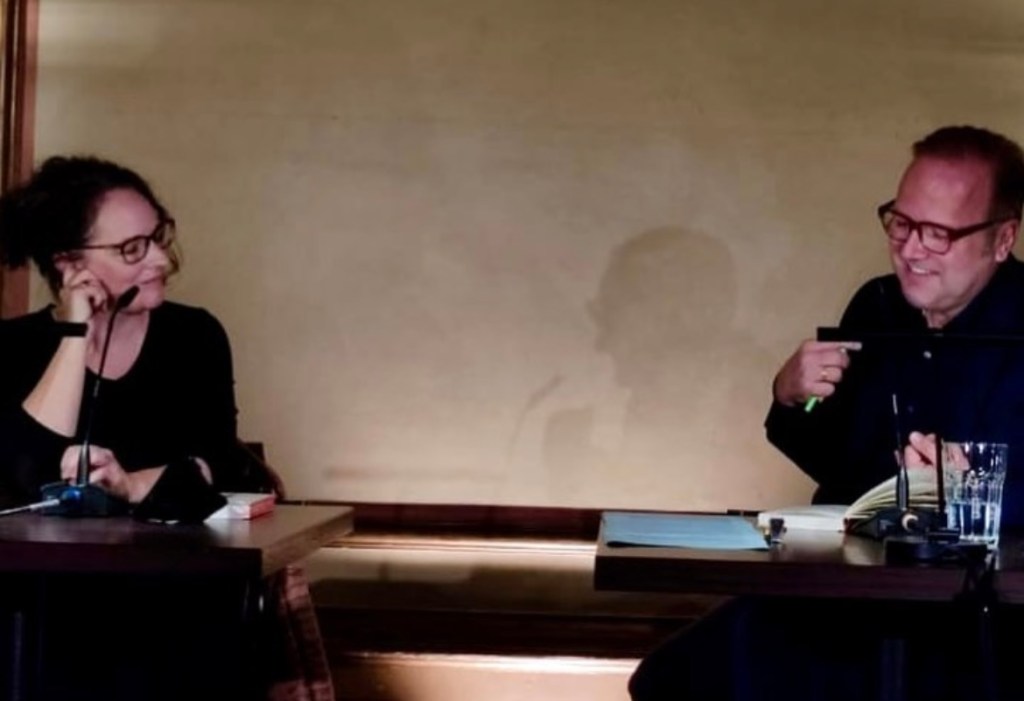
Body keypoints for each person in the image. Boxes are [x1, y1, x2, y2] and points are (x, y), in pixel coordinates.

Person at [629, 125, 1024, 701]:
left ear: (1002, 238)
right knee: (675, 678)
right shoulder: (877, 304)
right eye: (902, 223)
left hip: (978, 614)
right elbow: (840, 463)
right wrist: (792, 395)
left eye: (938, 234)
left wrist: (970, 490)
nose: (911, 250)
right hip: (852, 591)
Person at [0, 155, 328, 701]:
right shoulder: (12, 347)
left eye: (157, 237)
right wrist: (76, 333)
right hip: (52, 613)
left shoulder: (194, 336)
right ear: (69, 263)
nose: (159, 259)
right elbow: (23, 474)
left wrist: (129, 484)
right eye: (132, 248)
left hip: (183, 605)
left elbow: (216, 465)